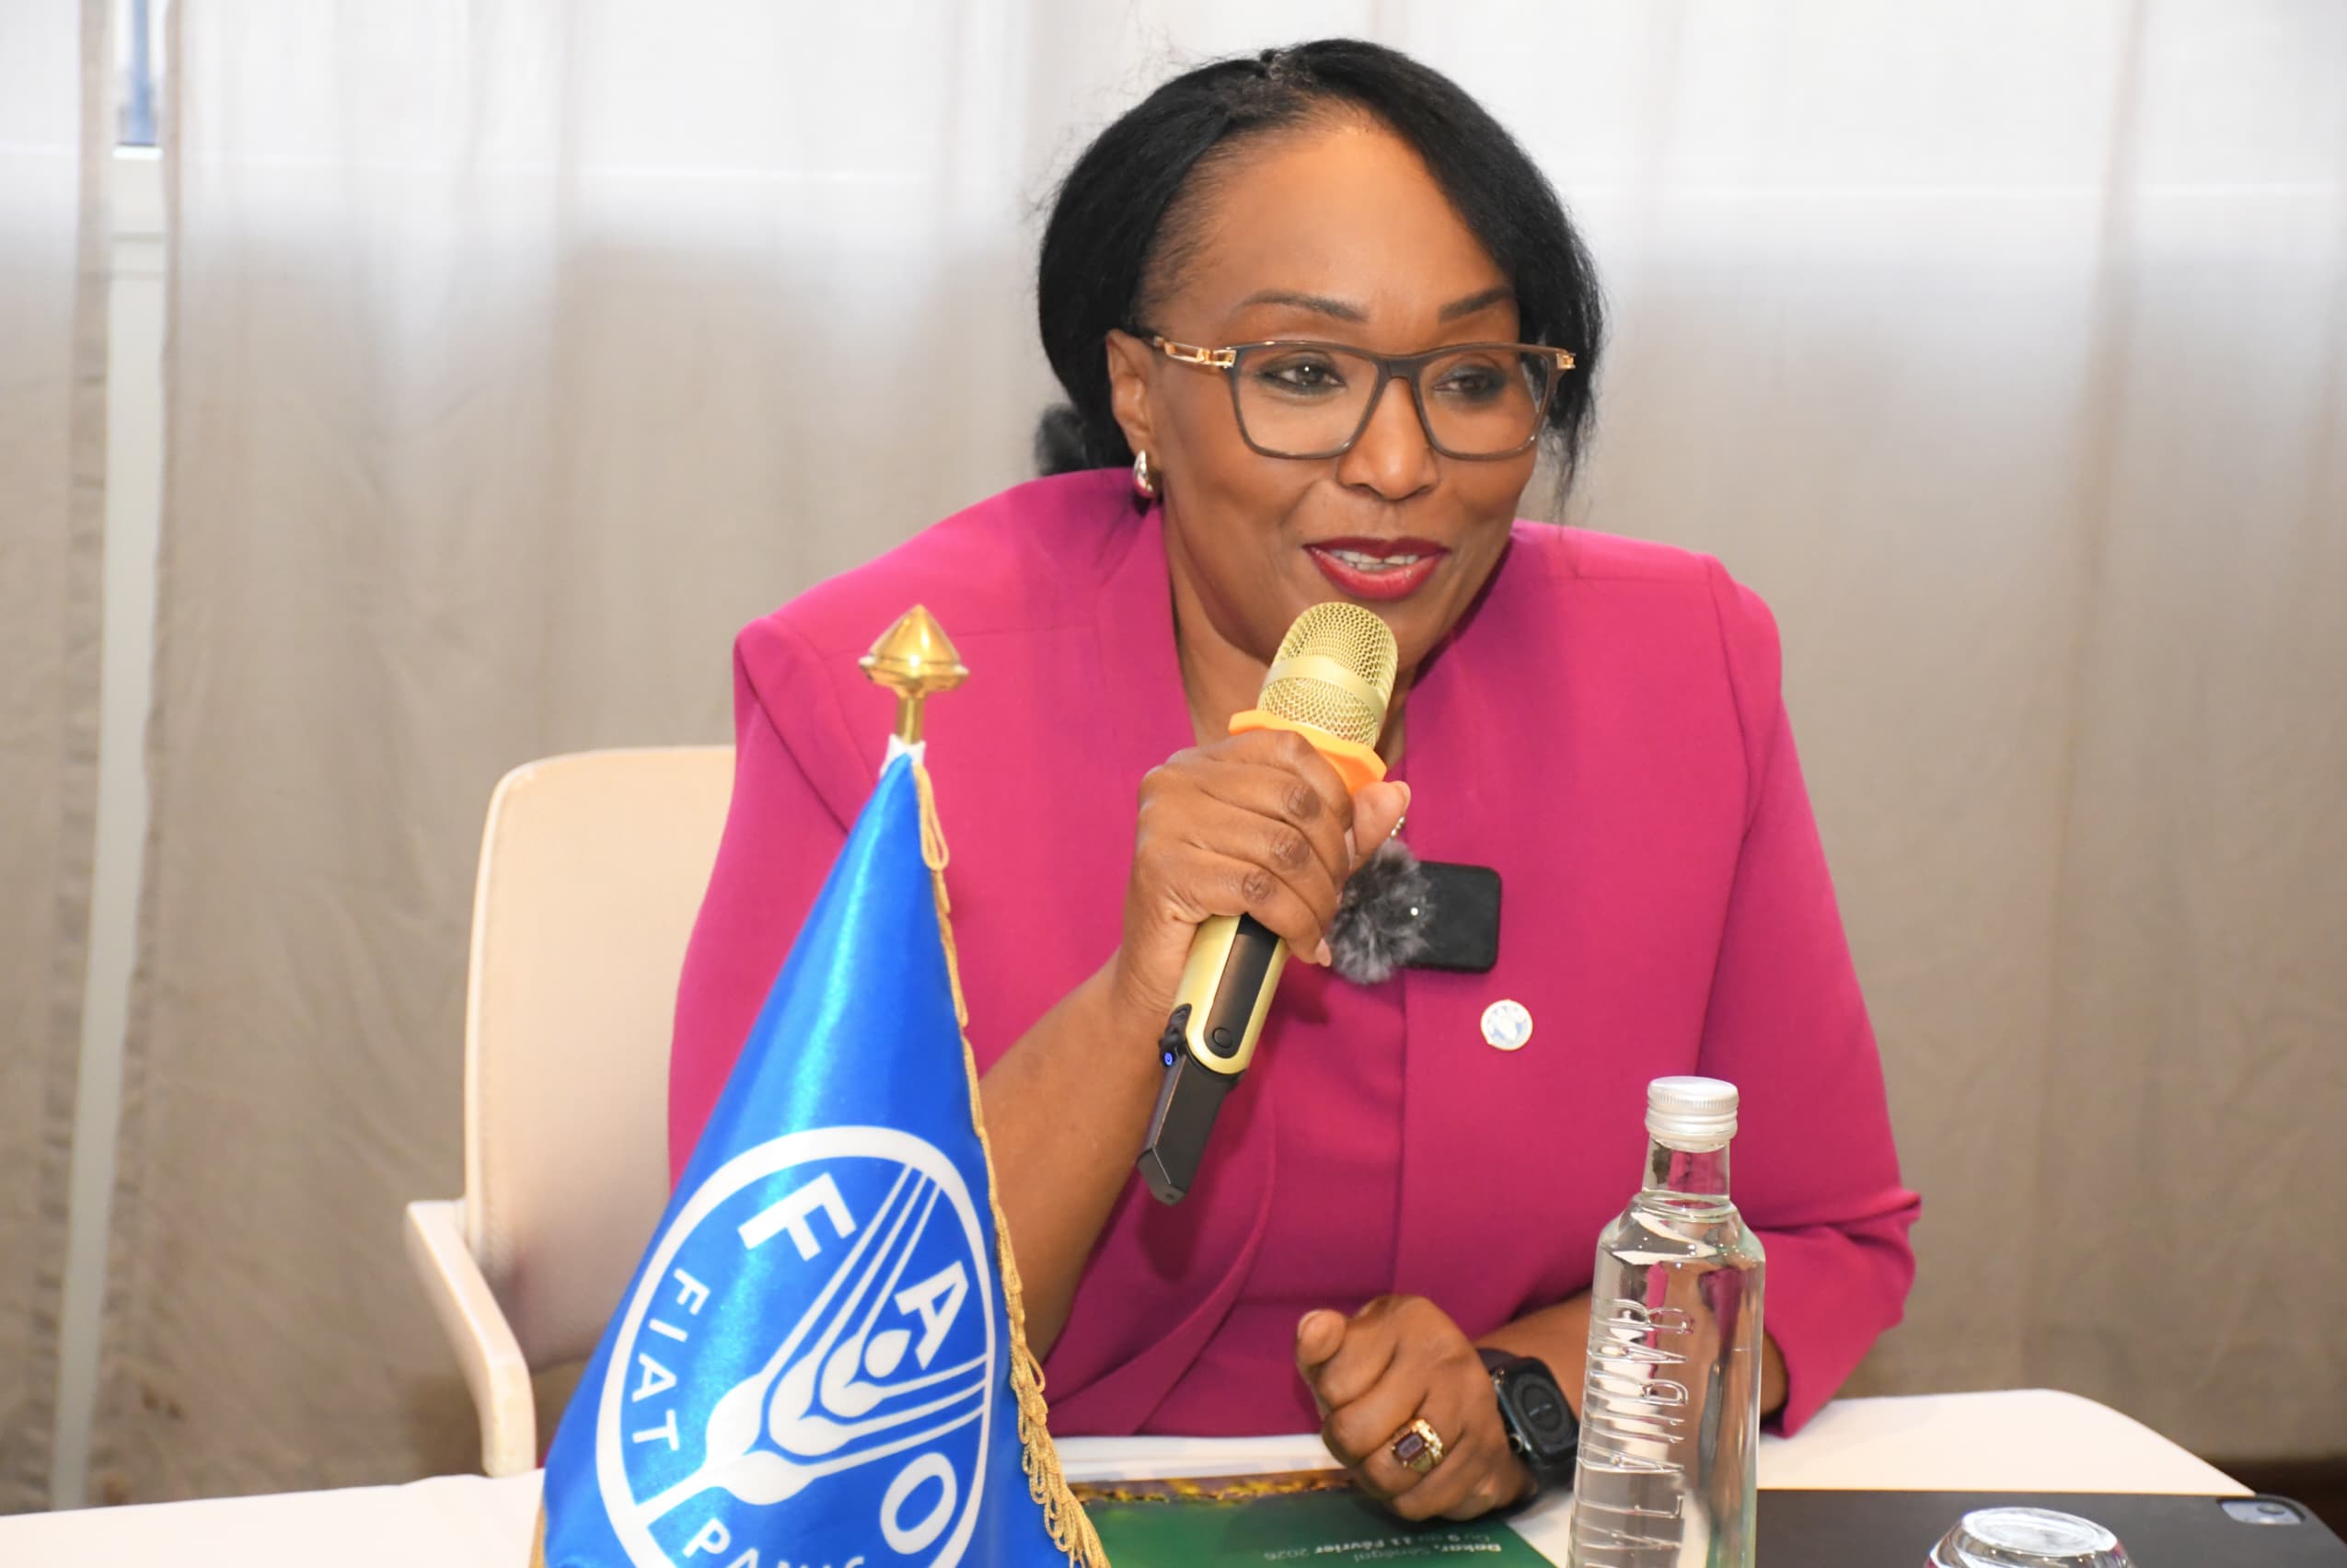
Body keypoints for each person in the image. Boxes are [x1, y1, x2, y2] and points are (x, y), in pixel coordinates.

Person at [669, 38, 1919, 1524]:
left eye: (1471, 379)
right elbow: (764, 1356)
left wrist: (1530, 1392)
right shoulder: (885, 697)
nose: (1397, 464)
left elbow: (1817, 1240)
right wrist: (1135, 998)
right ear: (1139, 390)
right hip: (995, 1515)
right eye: (1305, 374)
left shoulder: (1682, 665)